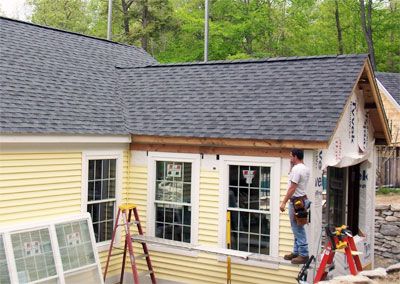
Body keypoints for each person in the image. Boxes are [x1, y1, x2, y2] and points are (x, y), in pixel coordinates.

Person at [280, 148, 311, 264]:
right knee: (297, 227)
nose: (289, 158)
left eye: (290, 156)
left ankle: (303, 254)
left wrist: (283, 202)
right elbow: (291, 178)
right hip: (302, 200)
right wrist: (291, 165)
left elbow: (292, 188)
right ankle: (296, 251)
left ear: (295, 156)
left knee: (297, 228)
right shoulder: (304, 168)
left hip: (296, 202)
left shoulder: (297, 170)